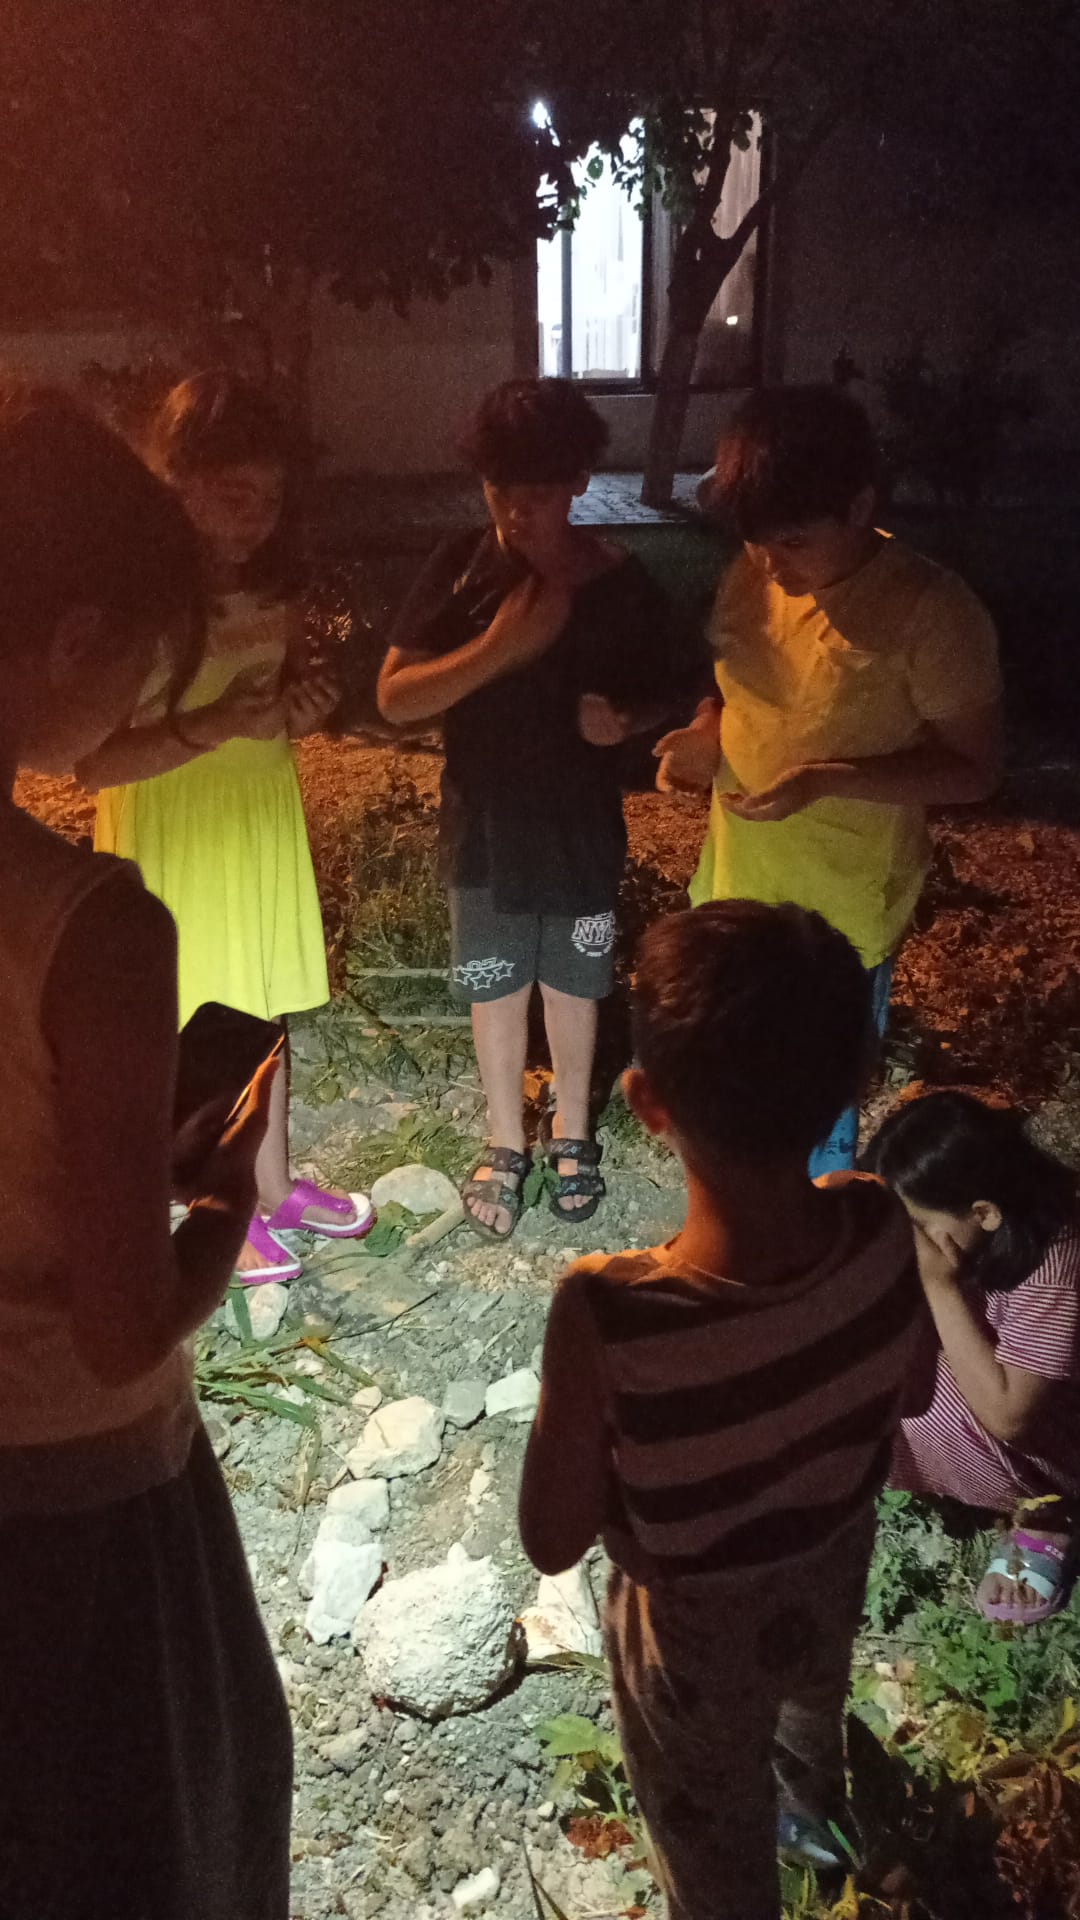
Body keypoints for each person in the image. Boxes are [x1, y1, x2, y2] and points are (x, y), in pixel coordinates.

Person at [0, 379, 292, 1917]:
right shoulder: (90, 929)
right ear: (73, 639)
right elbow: (120, 1329)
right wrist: (224, 1201)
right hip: (70, 1488)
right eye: (141, 662)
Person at [520, 901, 926, 1919]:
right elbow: (915, 1393)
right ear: (857, 1079)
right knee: (810, 1697)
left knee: (709, 1845)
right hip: (828, 1569)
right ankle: (814, 1815)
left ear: (645, 1101)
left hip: (691, 1650)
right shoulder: (878, 1222)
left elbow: (552, 1539)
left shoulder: (610, 1310)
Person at [377, 377, 700, 1239]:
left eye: (539, 491)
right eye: (499, 489)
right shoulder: (462, 567)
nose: (517, 510)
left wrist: (627, 719)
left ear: (579, 482)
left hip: (580, 826)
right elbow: (396, 697)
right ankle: (502, 1136)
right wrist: (497, 647)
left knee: (575, 983)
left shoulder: (620, 582)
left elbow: (679, 685)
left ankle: (573, 1131)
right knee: (494, 983)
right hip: (484, 822)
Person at [656, 385, 1003, 1175]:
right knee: (733, 1090)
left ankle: (816, 1232)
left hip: (841, 912)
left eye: (794, 541)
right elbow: (730, 686)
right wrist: (706, 731)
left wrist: (825, 780)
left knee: (815, 1104)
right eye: (755, 542)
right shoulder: (752, 574)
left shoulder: (930, 611)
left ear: (859, 506)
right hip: (733, 888)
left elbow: (975, 769)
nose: (771, 564)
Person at [82, 372, 371, 1282]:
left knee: (259, 1000)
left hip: (256, 821)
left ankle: (271, 1186)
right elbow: (92, 762)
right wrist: (213, 725)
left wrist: (303, 709)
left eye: (270, 498)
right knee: (199, 1011)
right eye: (233, 493)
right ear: (173, 481)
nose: (255, 518)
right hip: (175, 828)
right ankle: (214, 1197)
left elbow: (269, 706)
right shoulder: (132, 605)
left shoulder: (272, 591)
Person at [867, 1090, 1080, 1624]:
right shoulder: (972, 1242)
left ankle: (1051, 1512)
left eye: (918, 1228)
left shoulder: (1055, 1262)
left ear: (984, 1213)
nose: (910, 1244)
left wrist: (939, 1286)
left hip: (1060, 1414)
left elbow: (1010, 1414)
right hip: (1012, 1384)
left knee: (936, 1406)